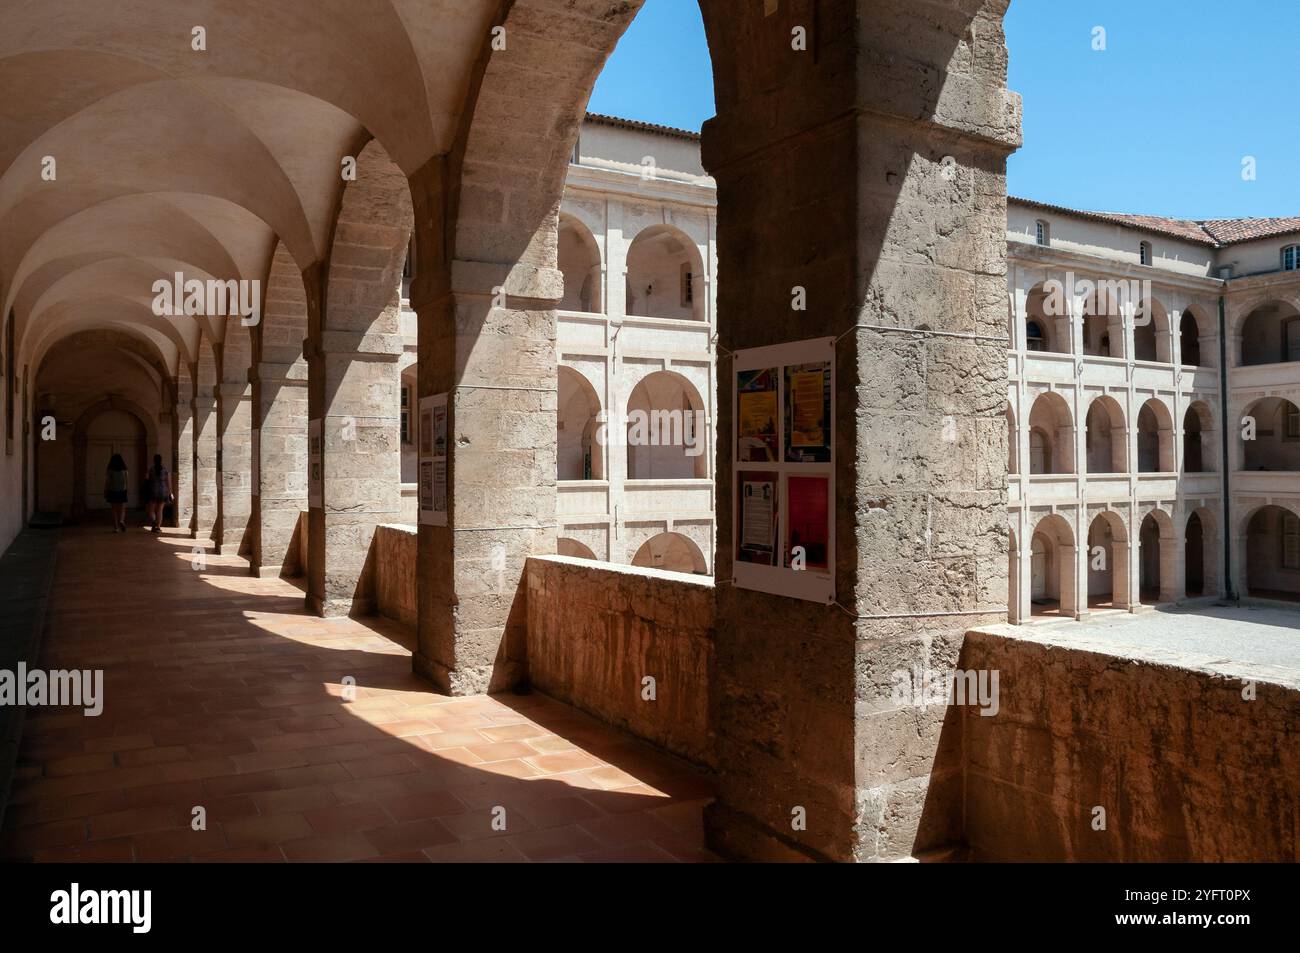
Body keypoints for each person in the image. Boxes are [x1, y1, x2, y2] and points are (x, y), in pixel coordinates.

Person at [145, 453, 172, 533]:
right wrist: (170, 492)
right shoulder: (165, 469)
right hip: (163, 492)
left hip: (153, 491)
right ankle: (158, 527)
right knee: (160, 510)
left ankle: (153, 522)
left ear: (154, 460)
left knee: (151, 510)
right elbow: (168, 482)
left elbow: (146, 480)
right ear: (161, 460)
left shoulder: (150, 469)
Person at [104, 453, 129, 533]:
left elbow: (107, 482)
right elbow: (126, 481)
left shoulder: (110, 470)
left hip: (112, 490)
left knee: (114, 509)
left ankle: (116, 528)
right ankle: (121, 520)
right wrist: (126, 490)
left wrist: (105, 491)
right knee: (122, 508)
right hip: (122, 491)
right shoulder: (125, 470)